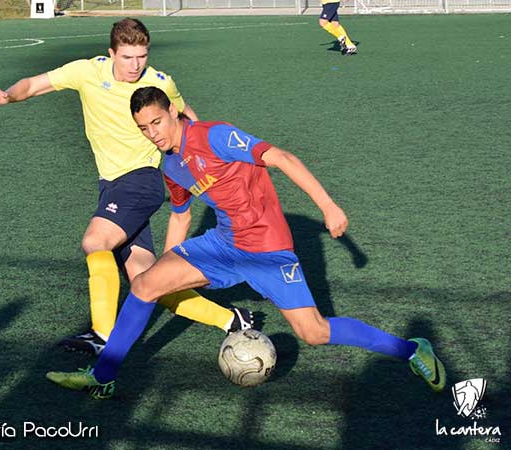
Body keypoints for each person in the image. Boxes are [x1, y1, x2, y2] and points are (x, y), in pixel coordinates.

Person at [46, 86, 446, 399]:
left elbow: (282, 157)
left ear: (173, 113)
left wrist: (328, 206)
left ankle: (412, 350)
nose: (153, 134)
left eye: (157, 122)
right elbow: (181, 216)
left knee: (315, 332)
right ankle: (102, 377)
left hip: (269, 252)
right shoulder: (170, 164)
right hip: (222, 245)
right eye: (144, 128)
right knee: (146, 284)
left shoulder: (216, 136)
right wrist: (168, 265)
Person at [0, 18, 252, 356]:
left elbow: (187, 117)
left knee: (96, 241)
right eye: (127, 57)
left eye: (142, 56)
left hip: (141, 180)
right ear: (111, 54)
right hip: (111, 186)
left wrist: (205, 155)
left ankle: (102, 334)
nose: (136, 65)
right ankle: (232, 320)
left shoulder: (159, 83)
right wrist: (8, 96)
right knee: (147, 281)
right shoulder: (87, 72)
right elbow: (35, 84)